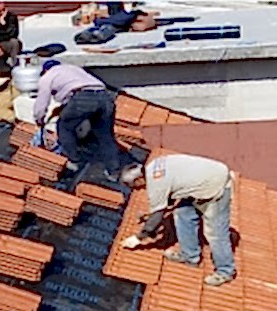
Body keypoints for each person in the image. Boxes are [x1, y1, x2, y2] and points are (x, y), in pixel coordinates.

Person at [120, 154, 236, 286]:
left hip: (217, 186)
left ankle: (225, 271)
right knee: (183, 214)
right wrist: (150, 216)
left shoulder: (155, 183)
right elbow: (170, 197)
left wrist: (139, 238)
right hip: (207, 178)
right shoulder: (153, 166)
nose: (138, 190)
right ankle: (190, 256)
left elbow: (158, 215)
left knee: (215, 234)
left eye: (135, 186)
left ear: (139, 179)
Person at [33, 60, 120, 180]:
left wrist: (39, 119)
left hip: (83, 97)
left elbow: (42, 103)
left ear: (45, 70)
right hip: (106, 97)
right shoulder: (73, 69)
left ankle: (73, 162)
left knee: (64, 127)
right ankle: (113, 171)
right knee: (105, 136)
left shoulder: (48, 76)